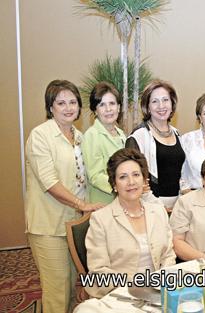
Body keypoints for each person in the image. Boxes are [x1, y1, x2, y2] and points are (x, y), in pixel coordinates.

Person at [25, 80, 104, 313]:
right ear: (50, 107)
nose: (68, 107)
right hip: (48, 226)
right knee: (57, 292)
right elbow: (49, 182)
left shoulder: (78, 136)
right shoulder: (41, 135)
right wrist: (83, 205)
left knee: (71, 290)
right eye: (61, 103)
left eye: (72, 102)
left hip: (73, 225)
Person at [85, 148, 176, 298]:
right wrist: (137, 286)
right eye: (123, 177)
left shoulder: (158, 212)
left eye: (136, 175)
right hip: (118, 295)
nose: (131, 182)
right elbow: (98, 271)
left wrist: (162, 280)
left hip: (158, 292)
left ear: (144, 179)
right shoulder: (100, 220)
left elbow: (168, 255)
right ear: (114, 184)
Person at [126, 79, 185, 213]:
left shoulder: (177, 134)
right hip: (150, 207)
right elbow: (133, 176)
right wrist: (156, 206)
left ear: (172, 103)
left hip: (178, 208)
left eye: (165, 100)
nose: (161, 106)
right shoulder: (138, 136)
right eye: (155, 101)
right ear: (147, 107)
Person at [82, 82, 126, 204]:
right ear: (95, 110)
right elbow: (95, 176)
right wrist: (123, 186)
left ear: (118, 107)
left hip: (122, 201)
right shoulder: (92, 135)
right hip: (103, 204)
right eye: (102, 105)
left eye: (112, 103)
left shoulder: (121, 134)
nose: (108, 109)